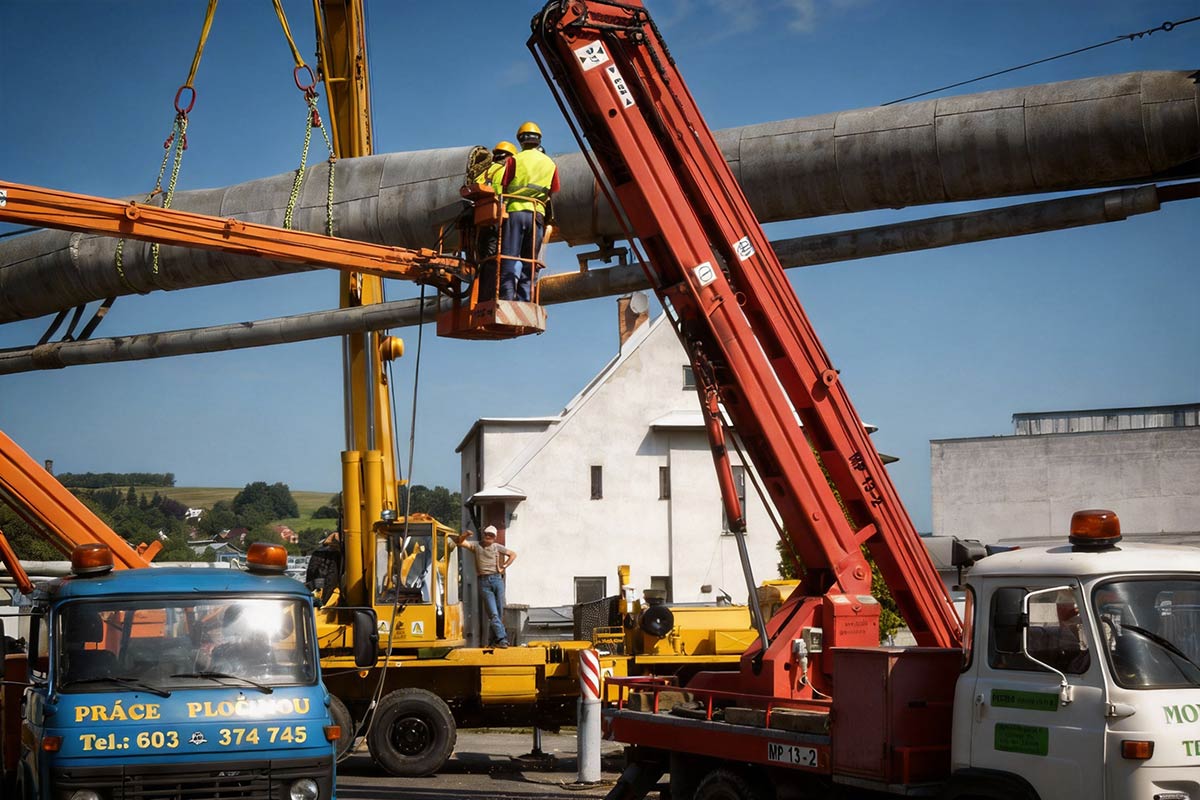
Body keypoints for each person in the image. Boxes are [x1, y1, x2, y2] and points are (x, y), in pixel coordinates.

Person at [499, 122, 559, 301]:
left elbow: (504, 186)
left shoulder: (514, 160)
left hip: (515, 212)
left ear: (521, 140)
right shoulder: (550, 163)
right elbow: (553, 190)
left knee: (509, 257)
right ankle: (524, 298)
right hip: (537, 215)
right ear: (539, 140)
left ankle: (506, 297)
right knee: (530, 261)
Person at [453, 524, 517, 647]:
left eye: (491, 535)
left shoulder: (496, 547)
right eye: (487, 534)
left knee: (499, 612)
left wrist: (503, 566)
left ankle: (495, 640)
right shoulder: (476, 546)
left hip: (497, 579)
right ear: (484, 534)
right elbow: (459, 542)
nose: (488, 537)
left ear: (494, 537)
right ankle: (502, 639)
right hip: (484, 581)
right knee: (493, 613)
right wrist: (466, 534)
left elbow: (513, 554)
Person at [475, 141, 517, 300]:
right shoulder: (506, 171)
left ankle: (484, 297)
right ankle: (497, 296)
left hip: (482, 222)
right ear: (509, 157)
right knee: (500, 258)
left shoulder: (484, 173)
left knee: (486, 260)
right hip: (498, 219)